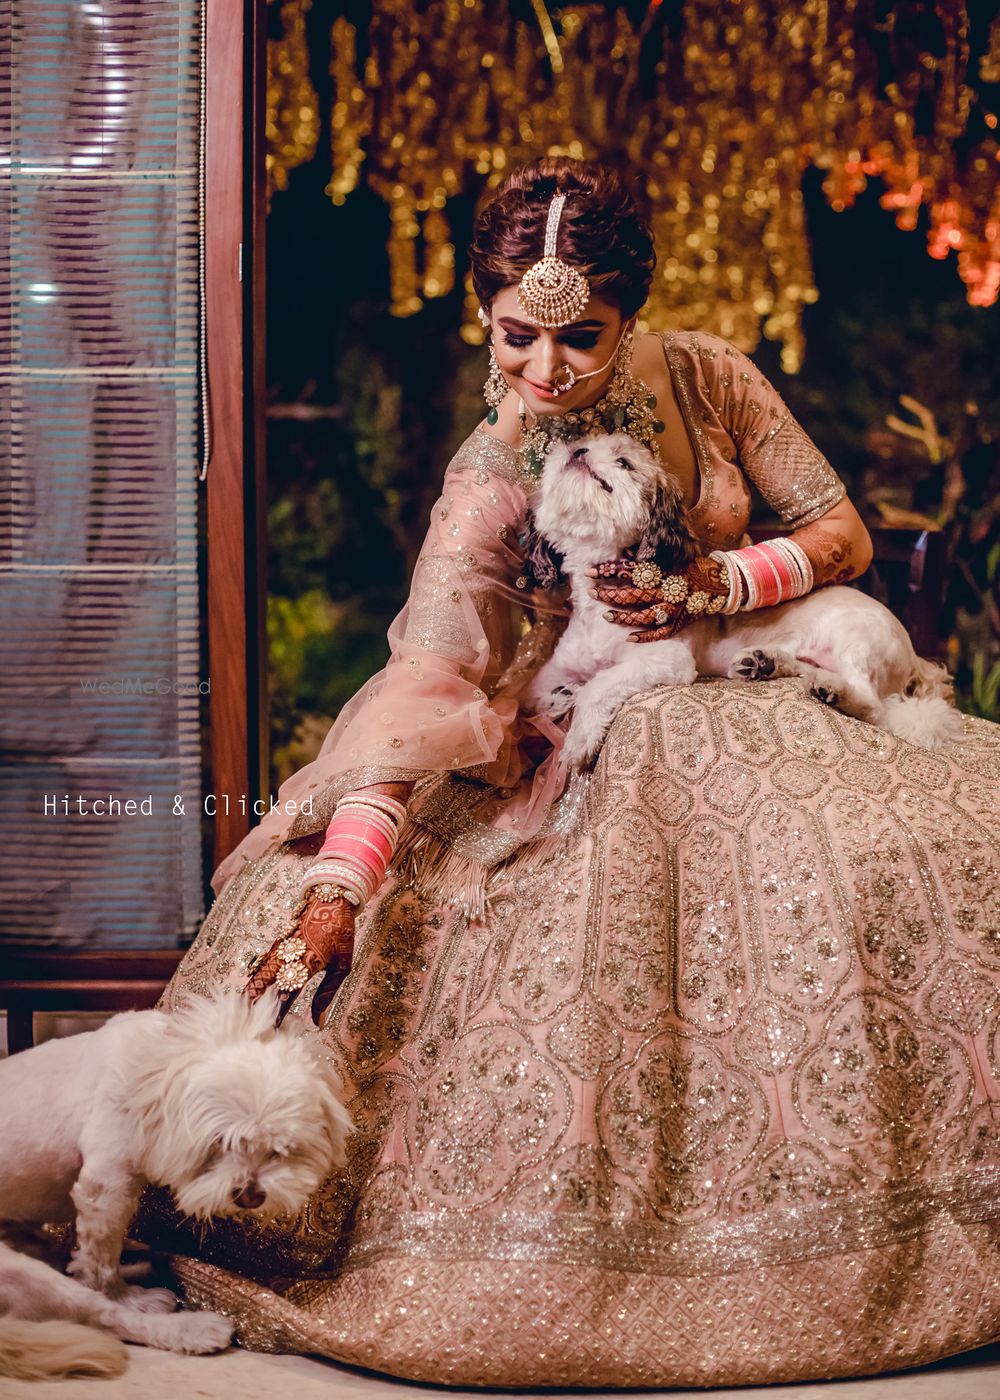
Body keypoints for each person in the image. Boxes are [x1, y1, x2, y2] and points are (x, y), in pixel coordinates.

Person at [142, 157, 1000, 1388]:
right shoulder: (489, 480)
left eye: (581, 335)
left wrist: (715, 582)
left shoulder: (706, 373)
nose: (544, 368)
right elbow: (417, 700)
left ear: (628, 312)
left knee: (915, 855)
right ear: (484, 317)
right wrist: (338, 889)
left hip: (750, 680)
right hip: (577, 733)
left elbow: (840, 532)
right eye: (516, 335)